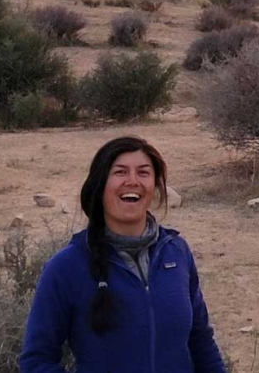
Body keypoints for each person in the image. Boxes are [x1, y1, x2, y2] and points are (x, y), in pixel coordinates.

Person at [20, 136, 227, 373]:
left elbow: (201, 341)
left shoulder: (177, 253)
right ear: (100, 185)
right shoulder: (66, 267)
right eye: (120, 172)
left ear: (155, 187)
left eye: (143, 172)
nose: (132, 181)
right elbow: (36, 360)